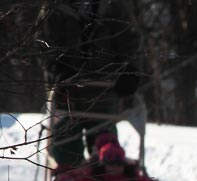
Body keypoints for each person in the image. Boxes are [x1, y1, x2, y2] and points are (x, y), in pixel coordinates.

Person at [38, 0, 142, 169]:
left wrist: (131, 71)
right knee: (66, 154)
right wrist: (56, 68)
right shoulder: (54, 7)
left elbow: (130, 40)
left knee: (107, 155)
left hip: (104, 92)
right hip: (67, 95)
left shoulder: (114, 6)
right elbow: (43, 45)